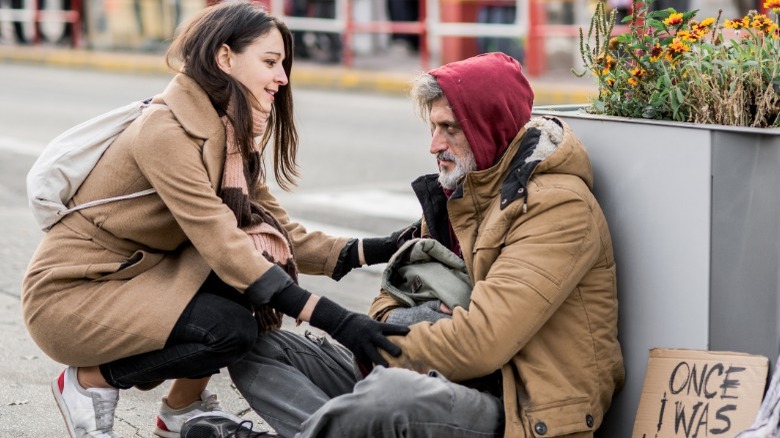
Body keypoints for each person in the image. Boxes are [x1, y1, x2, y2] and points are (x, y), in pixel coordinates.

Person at [20, 2, 410, 437]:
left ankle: (180, 412)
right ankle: (89, 383)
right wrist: (338, 322)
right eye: (270, 62)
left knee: (252, 269)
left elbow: (278, 232)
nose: (282, 77)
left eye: (283, 64)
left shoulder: (228, 134)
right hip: (74, 295)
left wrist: (383, 247)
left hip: (134, 278)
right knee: (229, 325)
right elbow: (222, 242)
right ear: (225, 58)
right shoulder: (165, 131)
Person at [218, 52, 625, 438]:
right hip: (434, 370)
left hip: (519, 405)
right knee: (256, 346)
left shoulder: (556, 206)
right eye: (433, 128)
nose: (435, 145)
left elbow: (483, 343)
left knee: (390, 395)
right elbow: (388, 298)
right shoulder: (460, 195)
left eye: (450, 129)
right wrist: (421, 318)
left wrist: (385, 347)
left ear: (490, 127)